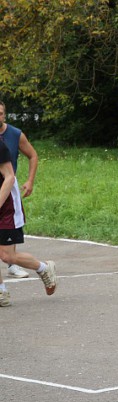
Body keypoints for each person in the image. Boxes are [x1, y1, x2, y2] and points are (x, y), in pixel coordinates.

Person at [0, 138, 56, 307]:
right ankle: (1, 291)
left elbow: (9, 177)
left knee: (6, 256)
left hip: (7, 206)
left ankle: (44, 268)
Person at [0, 101, 38, 279]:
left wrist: (30, 181)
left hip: (7, 187)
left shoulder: (15, 134)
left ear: (5, 114)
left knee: (8, 235)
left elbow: (32, 155)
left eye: (0, 113)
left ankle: (12, 264)